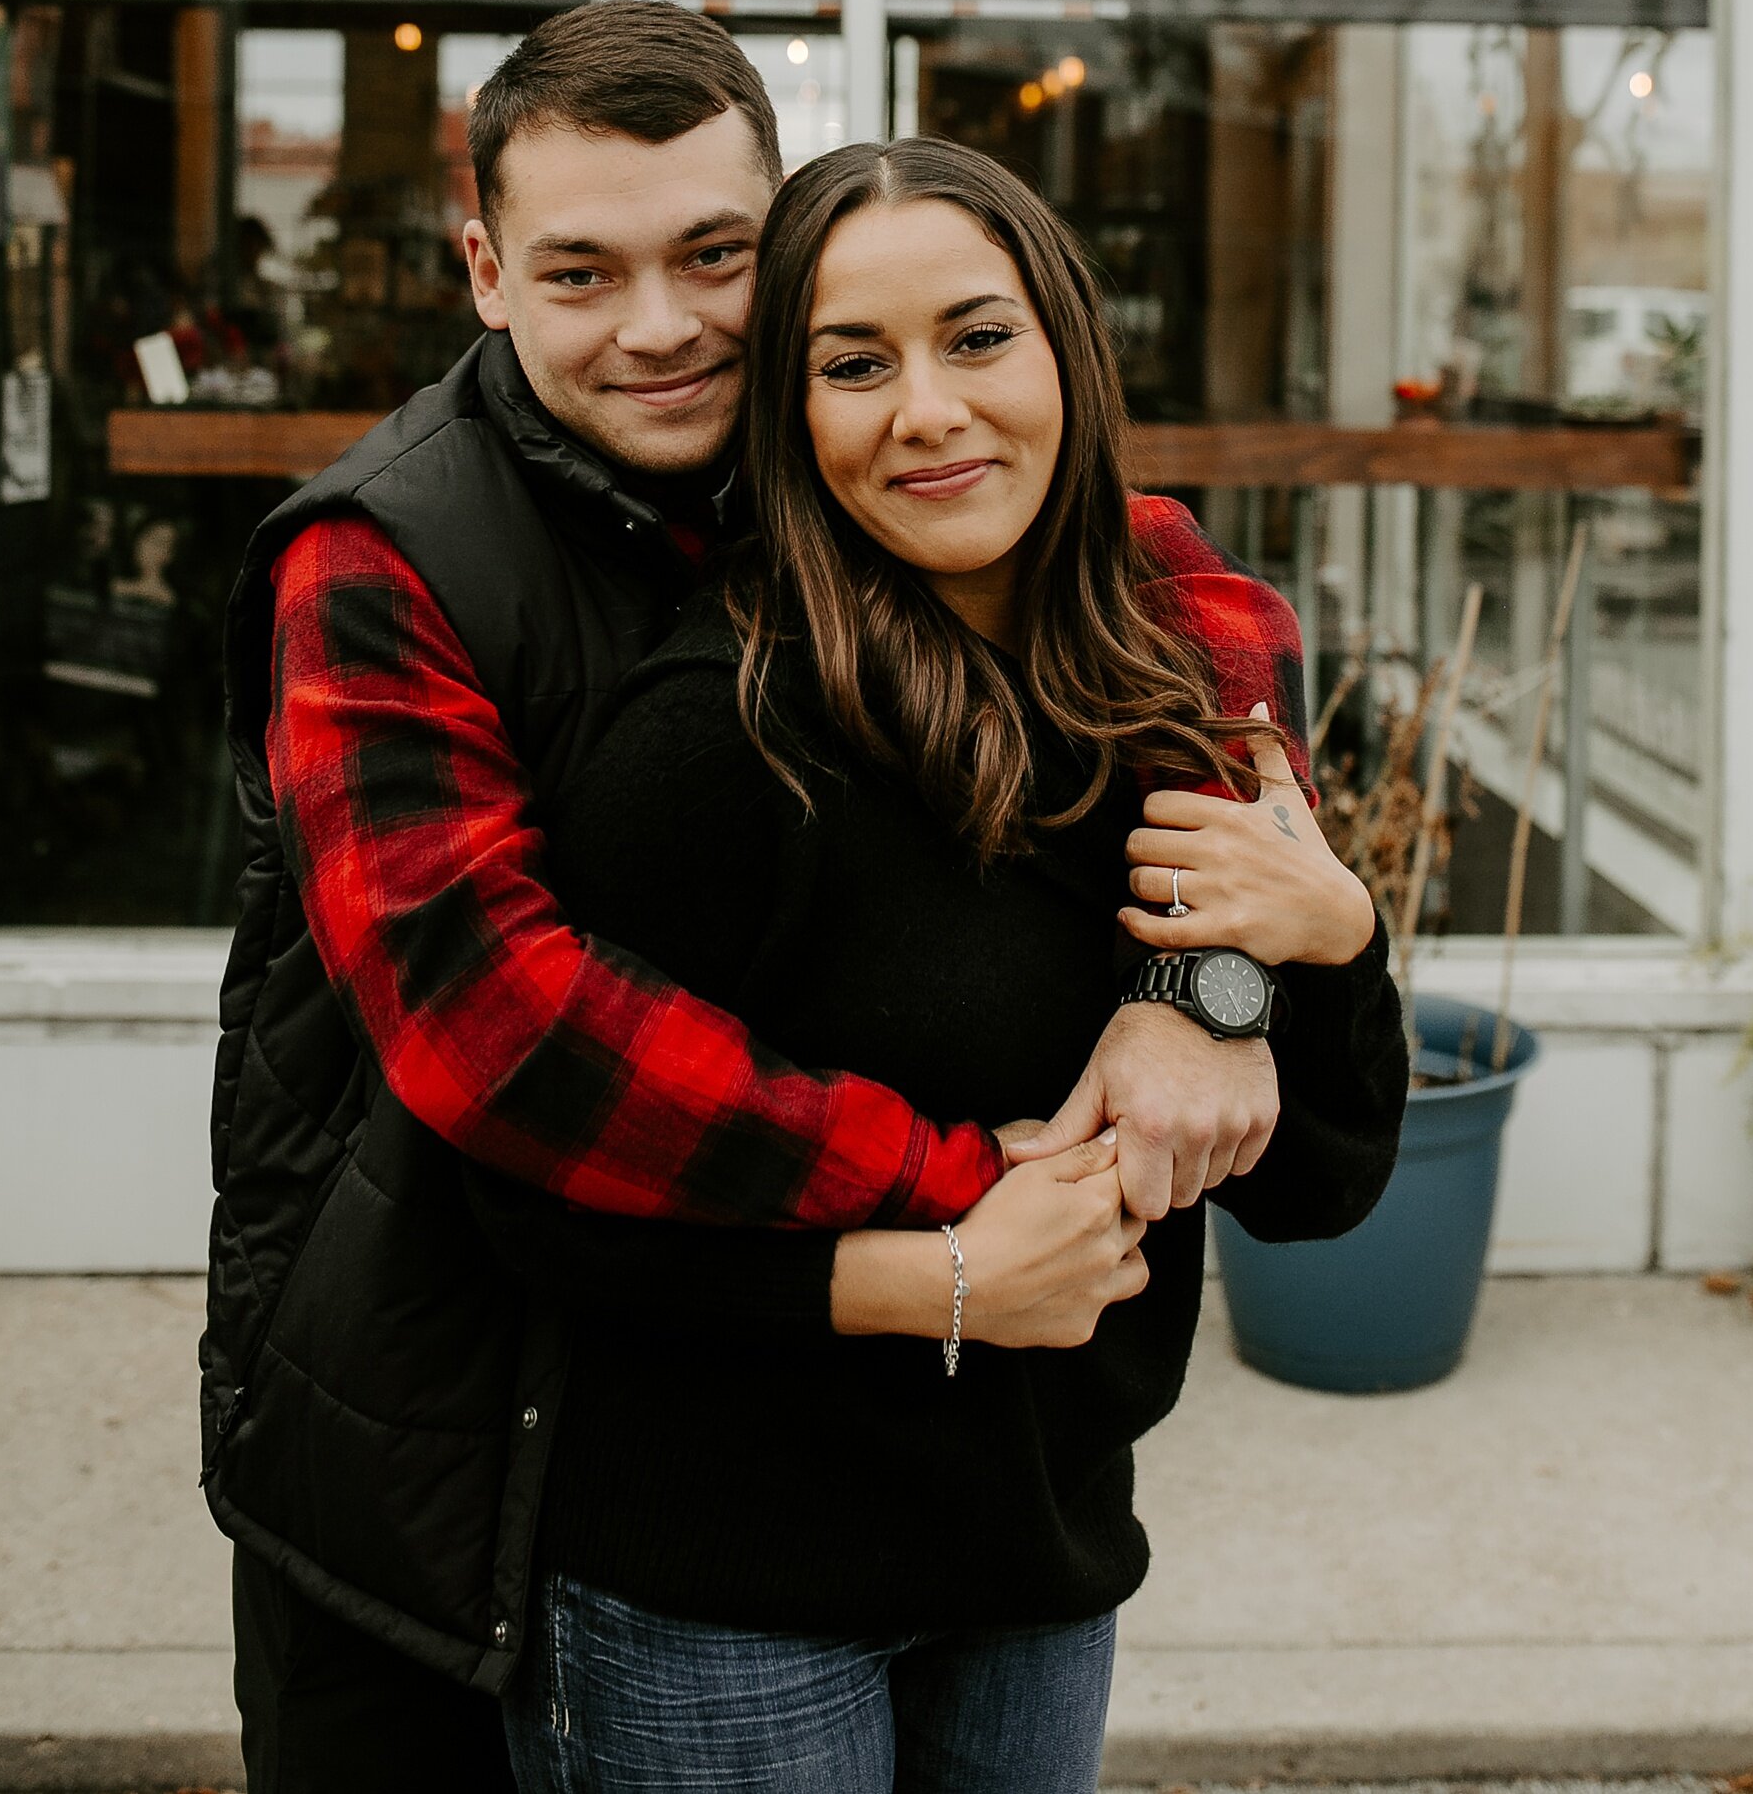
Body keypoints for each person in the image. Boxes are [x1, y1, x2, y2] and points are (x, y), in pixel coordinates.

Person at [204, 4, 1331, 1794]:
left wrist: (1197, 977)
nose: (659, 327)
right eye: (582, 271)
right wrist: (978, 1213)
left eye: (713, 256)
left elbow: (1183, 605)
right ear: (488, 272)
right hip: (438, 1386)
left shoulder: (827, 439)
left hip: (799, 1418)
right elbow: (504, 1035)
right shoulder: (383, 557)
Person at [491, 136, 1408, 1794]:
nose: (927, 411)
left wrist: (1308, 945)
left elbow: (1318, 1186)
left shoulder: (1171, 713)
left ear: (1065, 348)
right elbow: (524, 1213)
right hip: (721, 1600)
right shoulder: (722, 739)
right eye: (854, 363)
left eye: (977, 337)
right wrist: (945, 1280)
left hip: (1038, 1562)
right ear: (790, 412)